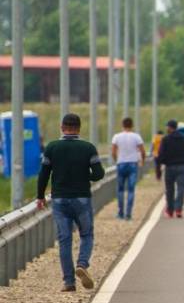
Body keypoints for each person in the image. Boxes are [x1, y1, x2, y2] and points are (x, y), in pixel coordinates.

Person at [35, 113, 104, 292]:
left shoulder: (52, 147)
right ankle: (82, 264)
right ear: (79, 128)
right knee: (86, 234)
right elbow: (99, 174)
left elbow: (43, 174)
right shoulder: (88, 148)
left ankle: (69, 282)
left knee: (64, 239)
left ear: (61, 127)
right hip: (81, 198)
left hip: (59, 199)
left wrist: (40, 196)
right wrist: (84, 176)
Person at [156, 119, 184, 218]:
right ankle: (178, 209)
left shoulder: (165, 139)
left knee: (170, 190)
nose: (166, 128)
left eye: (167, 127)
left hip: (170, 167)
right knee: (181, 189)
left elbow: (161, 155)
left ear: (169, 127)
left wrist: (159, 167)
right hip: (182, 167)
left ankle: (170, 210)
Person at [110, 117, 146, 221]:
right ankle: (128, 214)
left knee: (120, 189)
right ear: (132, 125)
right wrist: (142, 161)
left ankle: (120, 213)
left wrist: (116, 159)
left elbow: (113, 151)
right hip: (133, 164)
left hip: (121, 164)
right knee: (131, 190)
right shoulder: (136, 136)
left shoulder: (117, 136)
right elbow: (143, 151)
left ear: (122, 125)